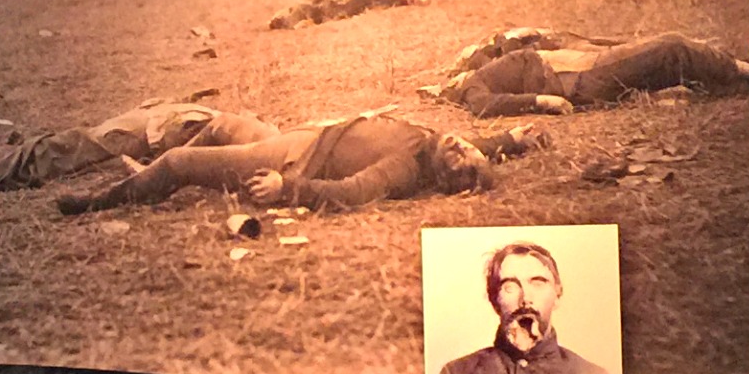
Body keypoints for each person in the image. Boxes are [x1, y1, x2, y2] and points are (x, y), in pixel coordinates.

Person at [57, 113, 488, 215]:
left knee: (177, 161)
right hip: (303, 138)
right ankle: (150, 178)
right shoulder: (432, 143)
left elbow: (352, 192)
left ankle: (98, 202)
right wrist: (512, 139)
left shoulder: (408, 167)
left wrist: (287, 189)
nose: (459, 142)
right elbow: (478, 145)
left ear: (450, 178)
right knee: (226, 123)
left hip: (292, 160)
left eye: (461, 154)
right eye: (467, 145)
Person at [424, 241, 612, 374]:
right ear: (495, 300)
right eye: (510, 286)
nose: (525, 299)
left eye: (538, 283)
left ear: (558, 294)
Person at [0, 101, 274, 195]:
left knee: (59, 148)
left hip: (153, 133)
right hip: (161, 121)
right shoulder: (265, 136)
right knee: (63, 143)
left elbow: (197, 149)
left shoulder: (255, 145)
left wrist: (157, 165)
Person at [447, 34, 749, 117]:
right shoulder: (472, 86)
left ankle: (728, 79)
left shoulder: (490, 66)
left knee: (660, 58)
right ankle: (748, 72)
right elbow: (483, 106)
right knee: (670, 46)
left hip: (579, 68)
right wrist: (541, 100)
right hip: (575, 77)